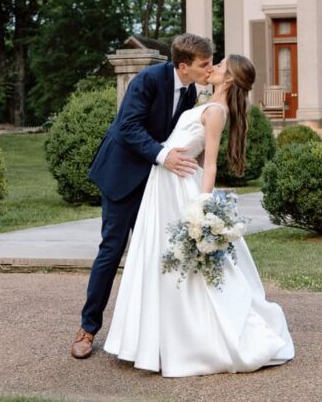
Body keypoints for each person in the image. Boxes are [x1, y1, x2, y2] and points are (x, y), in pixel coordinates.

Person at [103, 54, 295, 377]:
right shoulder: (205, 101)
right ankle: (155, 341)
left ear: (230, 79)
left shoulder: (217, 112)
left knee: (183, 265)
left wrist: (202, 206)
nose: (213, 69)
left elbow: (210, 162)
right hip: (164, 183)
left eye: (219, 66)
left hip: (180, 188)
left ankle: (190, 341)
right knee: (157, 259)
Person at [71, 32, 214, 359]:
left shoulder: (191, 91)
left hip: (156, 184)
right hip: (122, 178)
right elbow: (128, 127)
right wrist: (164, 157)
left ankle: (154, 334)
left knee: (157, 253)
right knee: (112, 250)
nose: (209, 69)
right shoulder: (147, 80)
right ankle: (87, 328)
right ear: (183, 65)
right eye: (204, 64)